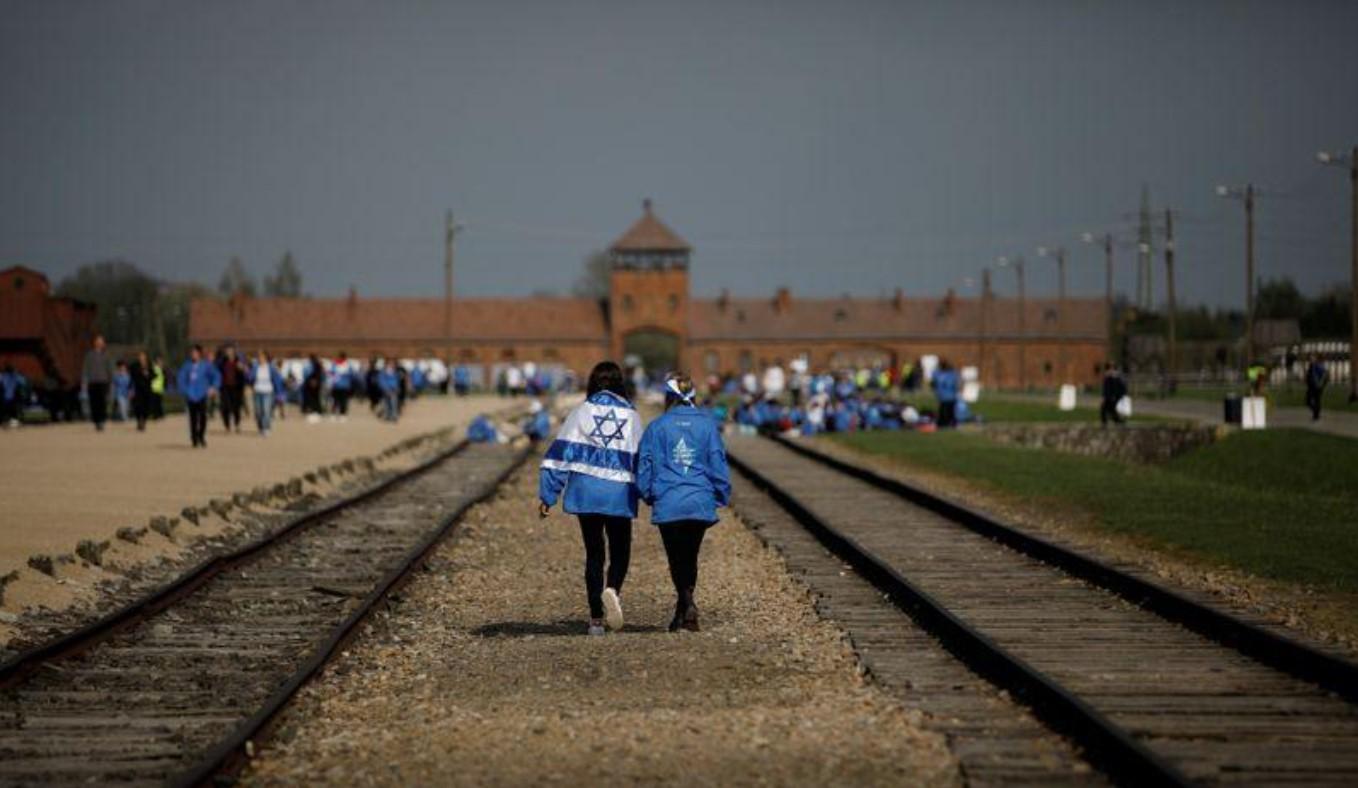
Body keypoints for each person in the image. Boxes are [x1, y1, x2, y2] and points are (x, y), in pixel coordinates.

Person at [539, 361, 640, 636]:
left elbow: (561, 453)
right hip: (618, 493)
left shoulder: (580, 412)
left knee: (594, 553)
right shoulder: (631, 415)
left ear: (592, 384)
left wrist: (548, 495)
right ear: (621, 384)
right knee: (621, 551)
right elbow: (641, 458)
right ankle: (612, 589)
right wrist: (649, 493)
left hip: (585, 492)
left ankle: (595, 620)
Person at [636, 373, 731, 633]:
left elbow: (644, 465)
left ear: (668, 397)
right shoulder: (708, 426)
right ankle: (684, 610)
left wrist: (646, 494)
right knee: (690, 555)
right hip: (699, 500)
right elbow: (717, 463)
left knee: (676, 557)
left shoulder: (657, 427)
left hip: (668, 501)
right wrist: (721, 495)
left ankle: (687, 604)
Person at [177, 345, 221, 448]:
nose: (194, 355)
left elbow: (216, 375)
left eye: (196, 353)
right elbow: (181, 379)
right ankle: (194, 438)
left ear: (200, 354)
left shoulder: (206, 365)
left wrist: (213, 387)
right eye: (192, 353)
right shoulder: (187, 366)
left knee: (202, 417)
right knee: (192, 418)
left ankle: (201, 436)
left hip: (202, 394)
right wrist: (185, 390)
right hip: (191, 395)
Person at [82, 334, 114, 431]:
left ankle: (102, 420)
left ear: (103, 343)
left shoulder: (107, 355)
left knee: (102, 402)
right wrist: (84, 381)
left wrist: (111, 381)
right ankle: (96, 421)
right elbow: (85, 369)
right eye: (97, 341)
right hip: (92, 382)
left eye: (101, 341)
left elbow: (110, 369)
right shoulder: (89, 355)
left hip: (103, 382)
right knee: (94, 402)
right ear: (94, 343)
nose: (99, 343)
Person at [250, 350, 285, 436]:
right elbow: (250, 378)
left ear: (266, 358)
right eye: (259, 357)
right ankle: (261, 428)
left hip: (268, 392)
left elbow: (276, 380)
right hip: (257, 391)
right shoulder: (255, 367)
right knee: (258, 412)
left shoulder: (271, 368)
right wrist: (247, 373)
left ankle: (266, 428)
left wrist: (279, 392)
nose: (260, 359)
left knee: (266, 411)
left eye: (262, 357)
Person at [216, 345, 247, 433]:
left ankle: (237, 424)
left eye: (230, 350)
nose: (229, 352)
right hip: (225, 387)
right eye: (227, 351)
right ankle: (227, 425)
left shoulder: (239, 361)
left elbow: (245, 372)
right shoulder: (222, 362)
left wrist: (242, 369)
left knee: (236, 407)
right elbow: (216, 371)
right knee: (225, 407)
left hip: (236, 388)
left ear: (234, 351)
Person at [129, 352, 154, 431]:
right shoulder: (134, 365)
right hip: (137, 389)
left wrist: (148, 375)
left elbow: (154, 375)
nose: (142, 358)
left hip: (147, 389)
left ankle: (144, 421)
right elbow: (132, 376)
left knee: (146, 406)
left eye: (143, 356)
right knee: (138, 406)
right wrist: (141, 372)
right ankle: (139, 420)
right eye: (140, 356)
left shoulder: (149, 365)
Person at [932, 359, 960, 428]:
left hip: (942, 396)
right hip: (951, 396)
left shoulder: (937, 374)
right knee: (951, 412)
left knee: (942, 412)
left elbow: (934, 384)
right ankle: (952, 423)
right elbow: (956, 385)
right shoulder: (952, 374)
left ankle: (942, 424)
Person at [1100, 362, 1128, 426]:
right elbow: (1106, 388)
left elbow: (1115, 388)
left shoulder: (1114, 377)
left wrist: (1113, 396)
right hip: (1110, 396)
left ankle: (1109, 422)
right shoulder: (1110, 377)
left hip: (1112, 397)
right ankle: (1116, 421)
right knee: (1108, 409)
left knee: (1107, 409)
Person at [1304, 353, 1329, 422]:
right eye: (1310, 358)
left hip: (1316, 386)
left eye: (1313, 358)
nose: (1311, 359)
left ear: (1316, 358)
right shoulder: (1312, 365)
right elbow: (1309, 375)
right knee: (1310, 401)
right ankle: (1316, 413)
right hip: (1312, 386)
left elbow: (1324, 374)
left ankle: (1316, 415)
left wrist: (1320, 383)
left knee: (1315, 400)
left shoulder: (1317, 365)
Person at [331, 351, 354, 420]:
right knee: (335, 401)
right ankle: (333, 414)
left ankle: (342, 414)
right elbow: (332, 373)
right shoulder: (335, 364)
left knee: (343, 401)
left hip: (345, 386)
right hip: (336, 386)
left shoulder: (348, 365)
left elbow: (351, 375)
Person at [302, 353, 325, 422]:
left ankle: (316, 411)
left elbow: (317, 375)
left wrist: (314, 381)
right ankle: (315, 411)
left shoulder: (316, 365)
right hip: (311, 385)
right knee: (313, 398)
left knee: (314, 399)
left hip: (314, 385)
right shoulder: (315, 364)